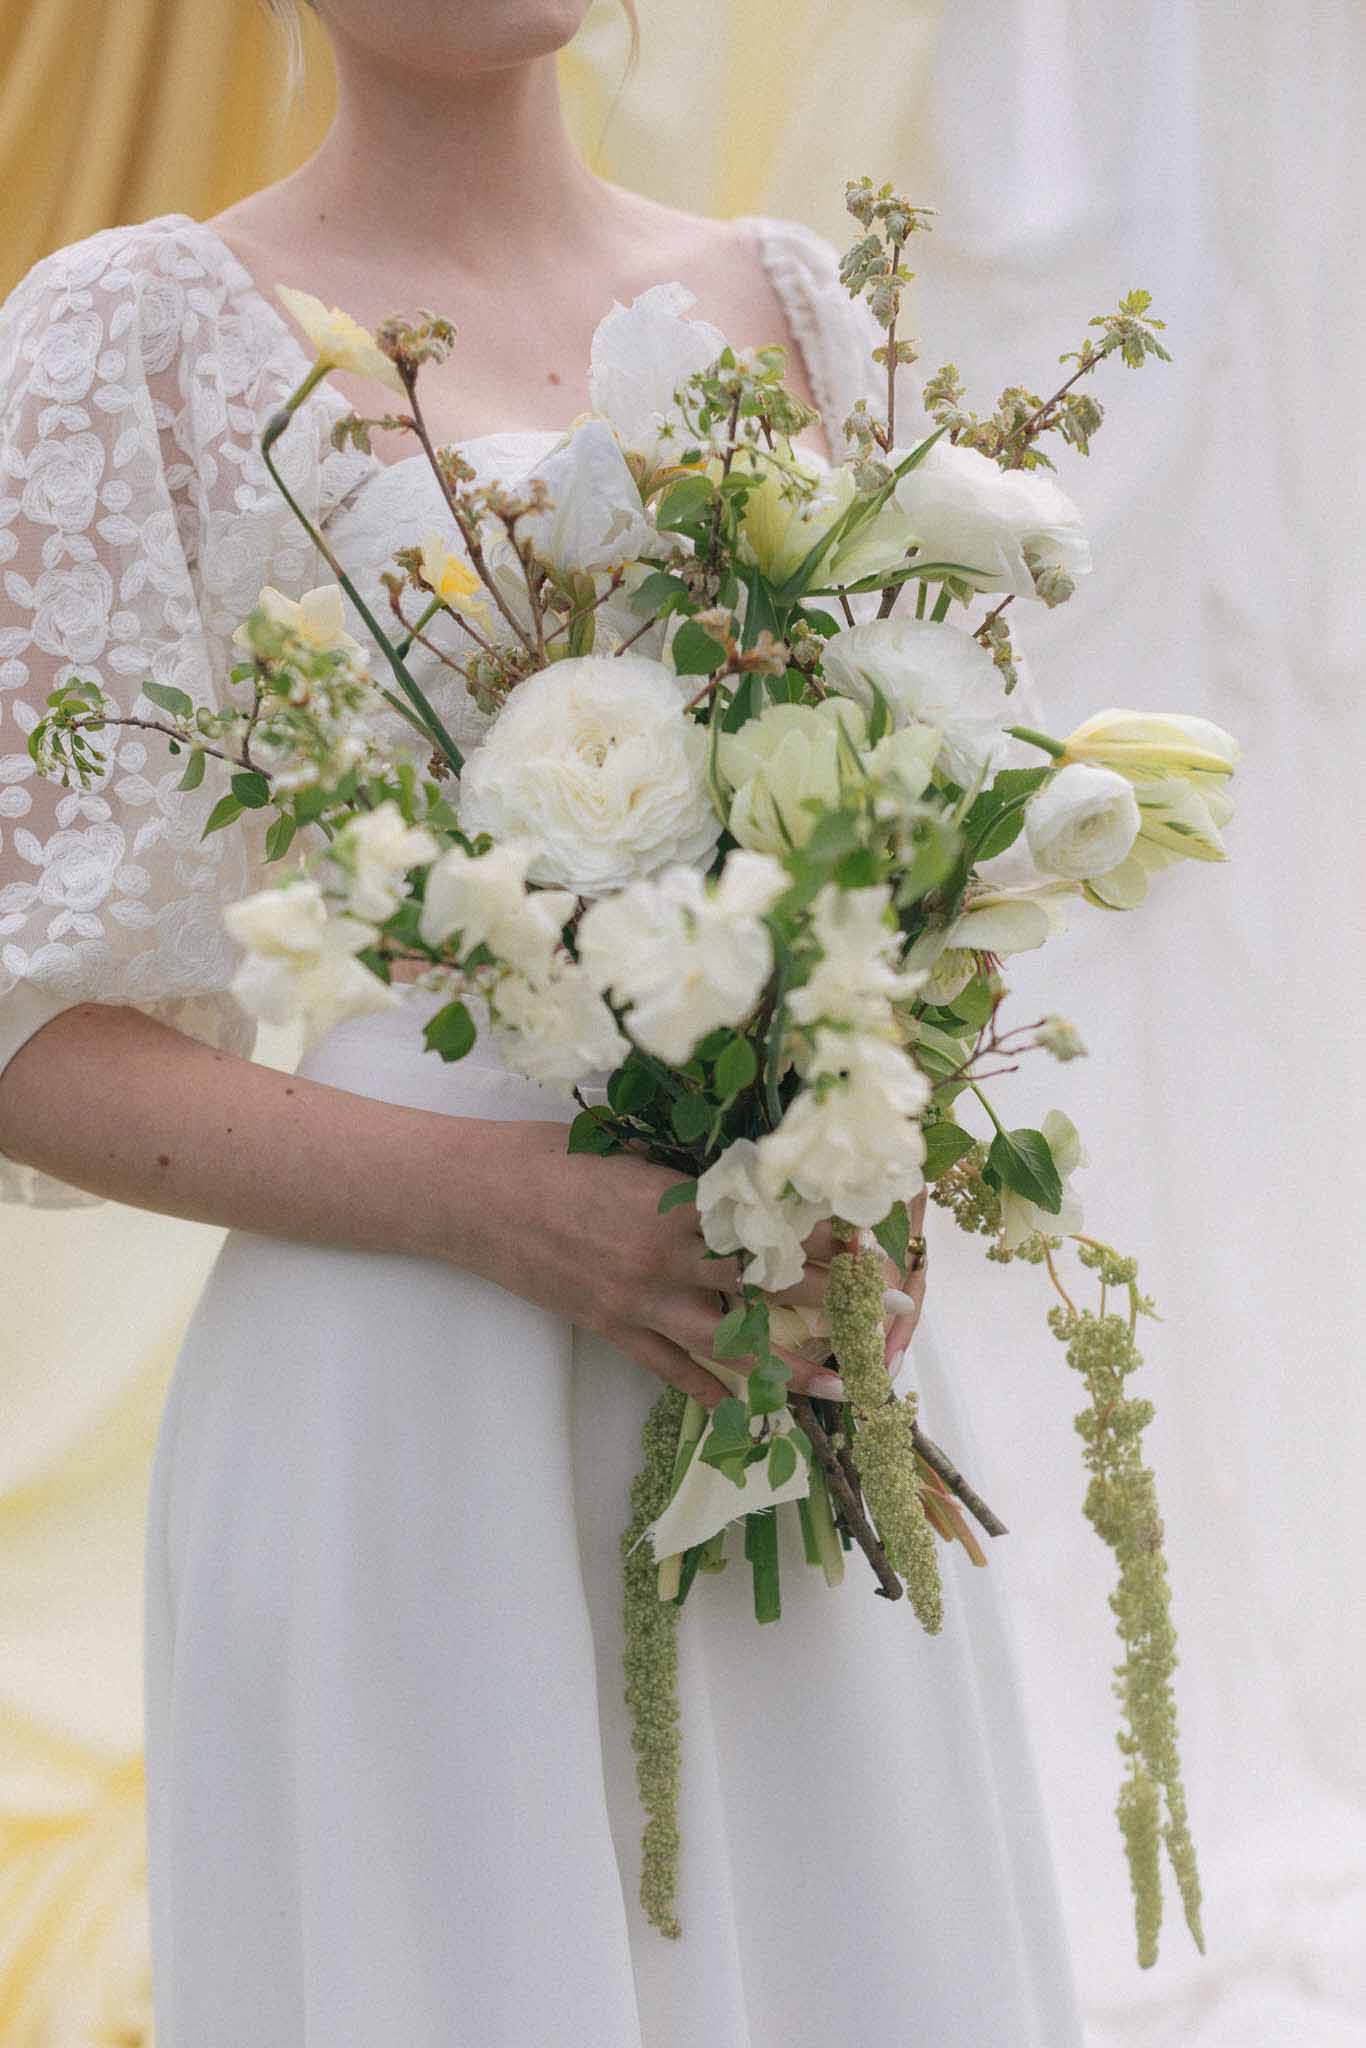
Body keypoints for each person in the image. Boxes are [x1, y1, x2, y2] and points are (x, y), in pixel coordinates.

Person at [0, 3, 1087, 2042]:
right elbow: (17, 1026)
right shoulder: (130, 339)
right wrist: (500, 1206)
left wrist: (882, 1149)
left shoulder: (790, 305)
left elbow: (891, 860)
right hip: (402, 1406)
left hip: (778, 1371)